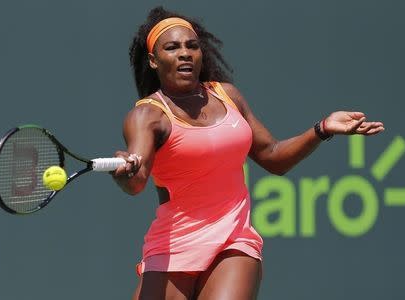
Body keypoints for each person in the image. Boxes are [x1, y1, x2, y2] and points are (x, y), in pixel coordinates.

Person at [112, 6, 384, 300]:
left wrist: (321, 129)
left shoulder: (228, 95)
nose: (185, 53)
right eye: (172, 47)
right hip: (172, 246)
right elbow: (136, 181)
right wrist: (124, 171)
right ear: (154, 60)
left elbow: (273, 156)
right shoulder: (147, 117)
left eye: (192, 46)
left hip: (233, 240)